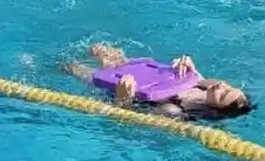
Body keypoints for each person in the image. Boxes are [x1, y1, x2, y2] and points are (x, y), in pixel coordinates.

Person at [63, 43, 254, 121]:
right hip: (140, 73)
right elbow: (196, 77)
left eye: (223, 94)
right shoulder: (207, 85)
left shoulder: (174, 112)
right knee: (98, 48)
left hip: (120, 90)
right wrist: (187, 66)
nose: (222, 86)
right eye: (229, 86)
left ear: (216, 109)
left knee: (69, 66)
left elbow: (128, 118)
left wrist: (123, 99)